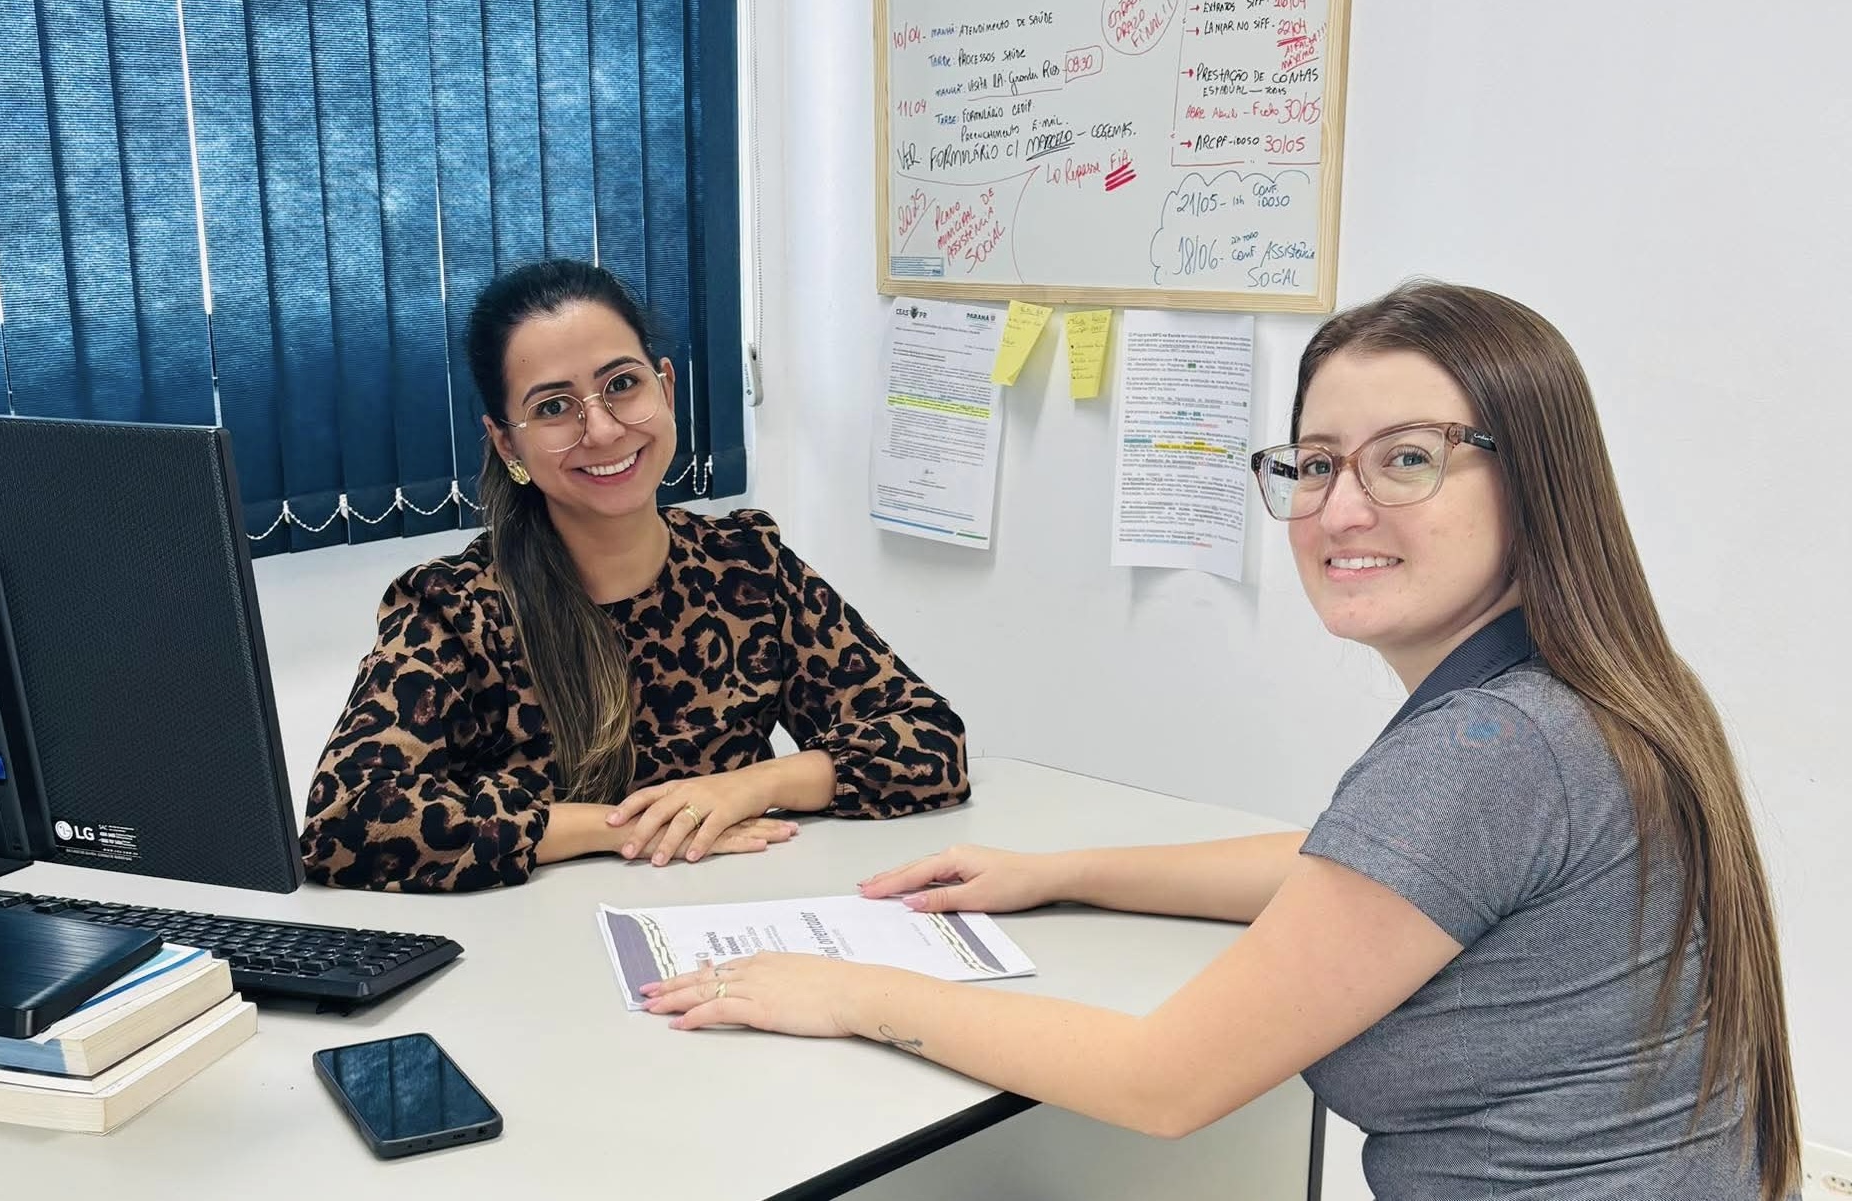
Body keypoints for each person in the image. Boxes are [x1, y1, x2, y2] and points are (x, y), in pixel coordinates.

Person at [643, 282, 1800, 1200]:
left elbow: (1163, 1082)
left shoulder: (1485, 750)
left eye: (1405, 458)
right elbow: (1353, 870)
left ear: (1532, 478)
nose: (1340, 508)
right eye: (1315, 462)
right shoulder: (1586, 692)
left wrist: (850, 993)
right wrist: (1062, 874)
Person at [302, 260, 969, 892]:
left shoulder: (747, 565)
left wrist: (746, 787)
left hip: (735, 922)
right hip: (543, 946)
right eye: (553, 407)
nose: (601, 429)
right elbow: (347, 820)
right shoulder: (453, 610)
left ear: (665, 388)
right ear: (508, 443)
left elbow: (930, 741)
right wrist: (627, 827)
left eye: (622, 384)